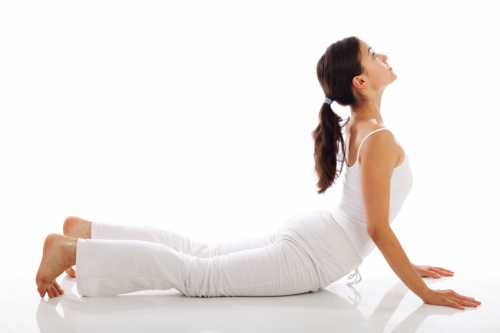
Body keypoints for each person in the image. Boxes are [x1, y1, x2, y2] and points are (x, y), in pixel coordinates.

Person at [35, 36, 481, 310]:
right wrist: (422, 291)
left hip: (317, 236)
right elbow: (378, 227)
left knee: (199, 253)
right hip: (316, 253)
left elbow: (369, 219)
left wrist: (408, 265)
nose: (384, 55)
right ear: (361, 82)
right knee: (198, 275)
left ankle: (90, 234)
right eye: (373, 54)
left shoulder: (361, 127)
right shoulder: (378, 136)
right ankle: (74, 249)